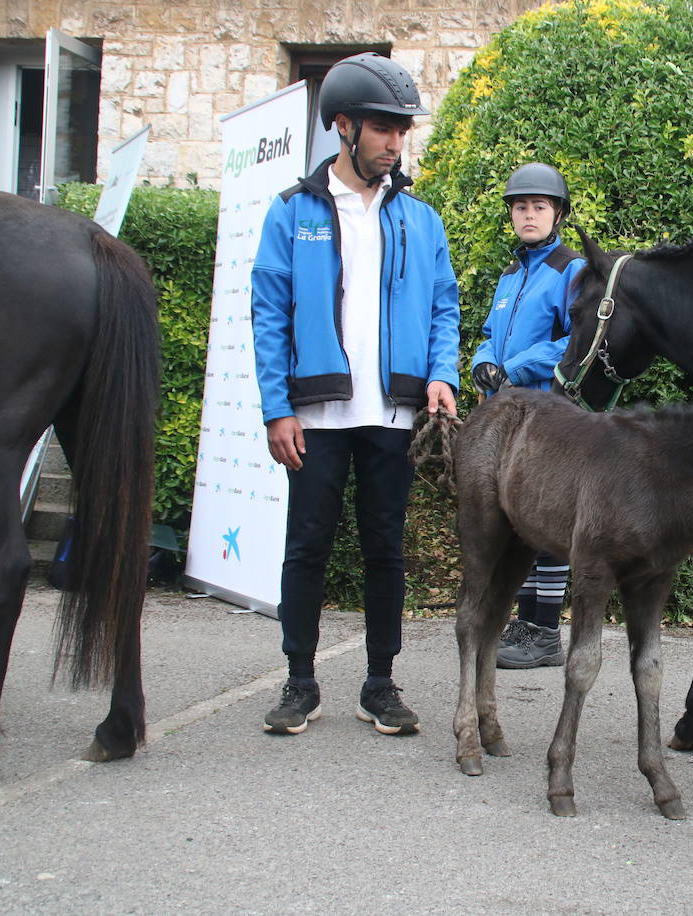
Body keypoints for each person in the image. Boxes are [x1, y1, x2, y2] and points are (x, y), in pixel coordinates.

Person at [251, 52, 460, 735]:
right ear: (343, 126)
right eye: (384, 128)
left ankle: (380, 683)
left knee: (385, 549)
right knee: (305, 547)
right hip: (315, 414)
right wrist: (276, 407)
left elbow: (443, 309)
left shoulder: (422, 220)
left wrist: (441, 374)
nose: (397, 142)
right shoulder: (293, 213)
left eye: (403, 130)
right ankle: (299, 682)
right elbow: (268, 314)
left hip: (393, 414)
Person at [471, 162, 586, 668]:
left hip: (549, 415)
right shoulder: (511, 274)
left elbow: (575, 340)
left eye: (539, 206)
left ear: (557, 213)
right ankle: (525, 623)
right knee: (519, 521)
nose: (529, 214)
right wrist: (481, 365)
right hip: (508, 416)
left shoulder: (572, 269)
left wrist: (513, 367)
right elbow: (489, 336)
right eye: (521, 207)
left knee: (548, 521)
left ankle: (544, 632)